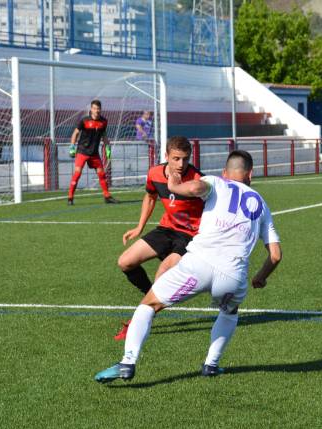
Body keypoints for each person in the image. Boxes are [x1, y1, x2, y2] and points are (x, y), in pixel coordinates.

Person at [95, 150, 282, 382]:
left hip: (198, 265)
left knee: (149, 304)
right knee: (229, 312)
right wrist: (260, 277)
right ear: (250, 174)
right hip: (232, 276)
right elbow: (275, 255)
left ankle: (127, 362)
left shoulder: (216, 182)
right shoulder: (262, 206)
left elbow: (194, 189)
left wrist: (173, 187)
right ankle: (211, 365)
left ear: (225, 173)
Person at [113, 136, 205, 340]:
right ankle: (152, 296)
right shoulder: (154, 173)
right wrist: (139, 227)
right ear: (166, 156)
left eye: (185, 159)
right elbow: (150, 196)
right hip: (166, 228)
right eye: (176, 158)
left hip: (190, 235)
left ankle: (136, 322)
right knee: (125, 262)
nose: (181, 164)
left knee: (162, 274)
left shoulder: (198, 180)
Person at [68, 100, 116, 205]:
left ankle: (107, 197)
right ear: (91, 109)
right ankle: (70, 198)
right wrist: (72, 147)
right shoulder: (84, 120)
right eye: (94, 108)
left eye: (98, 109)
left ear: (100, 109)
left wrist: (107, 148)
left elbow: (104, 136)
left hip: (94, 153)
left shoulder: (104, 122)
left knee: (102, 174)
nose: (96, 111)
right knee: (77, 174)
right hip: (82, 151)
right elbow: (75, 133)